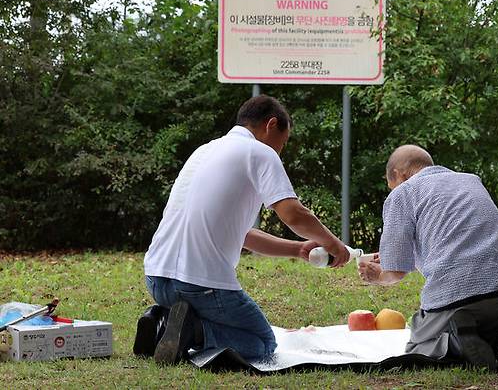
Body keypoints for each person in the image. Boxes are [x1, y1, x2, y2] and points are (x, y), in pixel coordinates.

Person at [133, 95, 349, 365]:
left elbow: (243, 234)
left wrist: (297, 249)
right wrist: (334, 243)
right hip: (200, 286)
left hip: (156, 279)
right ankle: (192, 331)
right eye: (283, 143)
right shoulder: (260, 152)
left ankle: (160, 321)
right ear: (271, 125)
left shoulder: (204, 151)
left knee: (222, 320)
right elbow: (293, 213)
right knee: (262, 343)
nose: (280, 151)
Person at [358, 145, 498, 371]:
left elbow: (395, 272)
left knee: (417, 342)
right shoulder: (471, 180)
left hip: (458, 296)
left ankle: (456, 344)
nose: (393, 190)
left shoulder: (402, 193)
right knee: (486, 323)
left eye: (392, 185)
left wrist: (378, 276)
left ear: (399, 174)